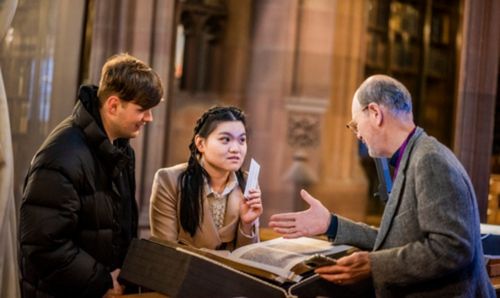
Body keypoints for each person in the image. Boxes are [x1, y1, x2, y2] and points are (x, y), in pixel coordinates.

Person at [269, 75, 495, 297]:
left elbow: (452, 248)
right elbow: (396, 239)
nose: (357, 134)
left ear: (375, 114)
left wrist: (373, 265)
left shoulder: (429, 159)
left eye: (356, 124)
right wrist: (331, 224)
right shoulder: (414, 155)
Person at [19, 53, 164, 298]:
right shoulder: (62, 155)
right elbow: (43, 244)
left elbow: (119, 227)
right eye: (142, 110)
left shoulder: (119, 146)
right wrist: (101, 281)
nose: (149, 118)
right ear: (113, 105)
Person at [150, 106, 262, 250]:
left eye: (242, 140)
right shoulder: (170, 180)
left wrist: (247, 224)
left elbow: (250, 257)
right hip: (185, 270)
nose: (236, 149)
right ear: (201, 143)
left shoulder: (247, 183)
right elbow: (165, 250)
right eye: (225, 139)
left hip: (231, 272)